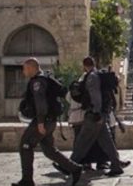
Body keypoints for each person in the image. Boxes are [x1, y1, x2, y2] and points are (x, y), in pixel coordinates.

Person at [13, 58, 81, 186]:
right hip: (50, 120)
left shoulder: (38, 82)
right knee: (49, 150)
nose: (23, 71)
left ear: (31, 68)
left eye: (24, 68)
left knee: (25, 145)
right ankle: (75, 168)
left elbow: (41, 103)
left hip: (43, 120)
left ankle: (27, 180)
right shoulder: (45, 78)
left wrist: (40, 122)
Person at [70, 57, 125, 177]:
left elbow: (95, 96)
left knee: (82, 141)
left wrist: (96, 112)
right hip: (101, 113)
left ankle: (70, 166)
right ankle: (116, 166)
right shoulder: (98, 75)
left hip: (94, 114)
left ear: (84, 65)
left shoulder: (92, 77)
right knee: (107, 142)